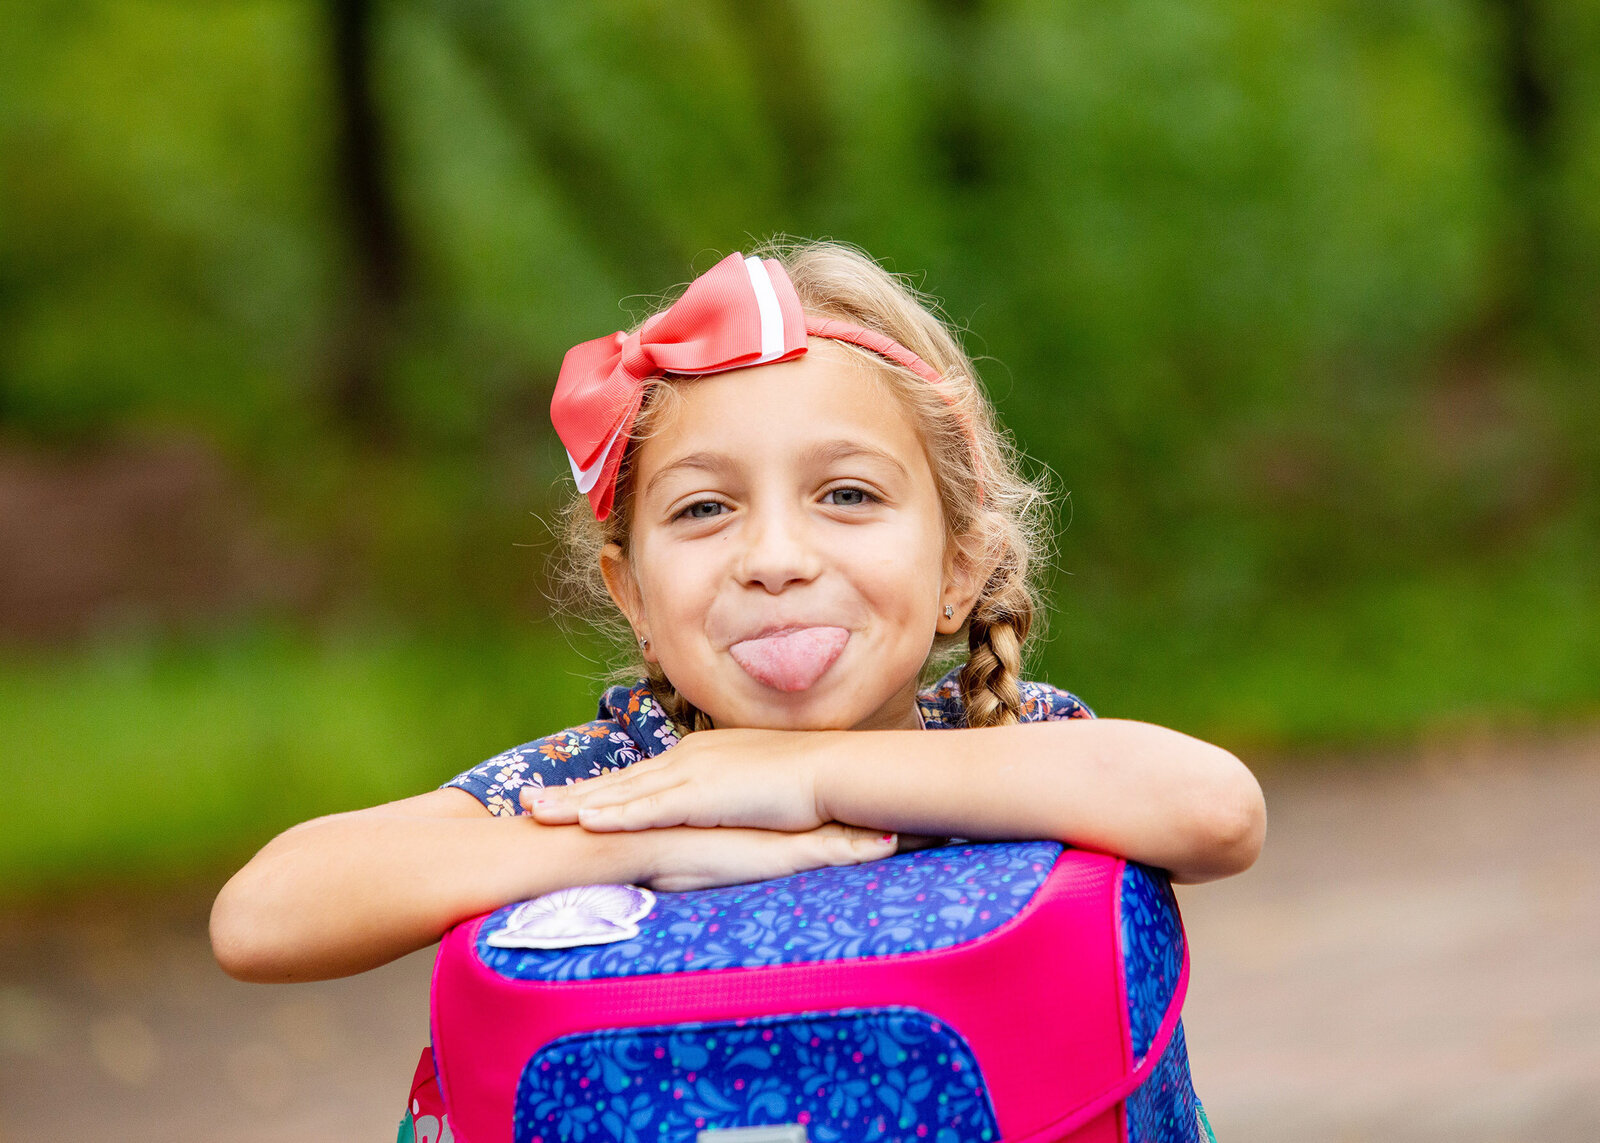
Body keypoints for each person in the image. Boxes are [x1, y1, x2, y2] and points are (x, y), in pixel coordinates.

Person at [210, 240, 1266, 988]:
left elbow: (1215, 811)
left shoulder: (1010, 750)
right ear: (635, 600)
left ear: (959, 566)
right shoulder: (617, 783)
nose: (773, 559)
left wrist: (796, 773)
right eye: (706, 508)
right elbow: (262, 914)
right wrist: (623, 848)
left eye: (846, 495)